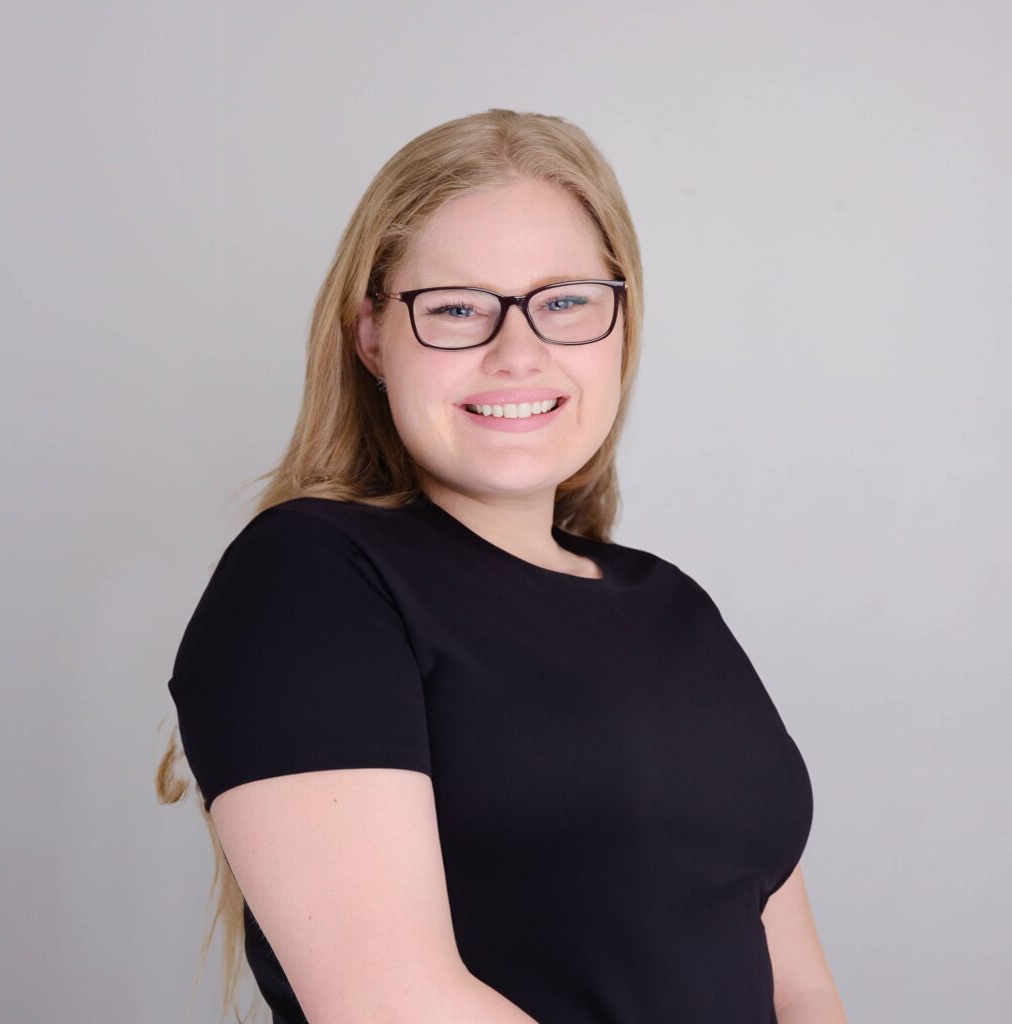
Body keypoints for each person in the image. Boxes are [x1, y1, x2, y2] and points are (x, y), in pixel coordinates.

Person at [156, 108, 847, 1024]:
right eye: (455, 309)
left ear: (620, 323)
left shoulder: (674, 607)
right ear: (371, 336)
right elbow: (390, 1005)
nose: (517, 352)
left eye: (564, 302)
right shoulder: (309, 578)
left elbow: (797, 988)